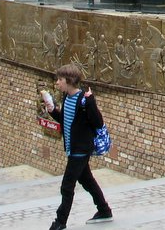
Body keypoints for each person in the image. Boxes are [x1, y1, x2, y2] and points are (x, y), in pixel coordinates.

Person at [44, 64, 113, 230]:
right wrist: (52, 110)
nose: (57, 83)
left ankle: (60, 222)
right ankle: (104, 210)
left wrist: (91, 102)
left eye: (59, 80)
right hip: (72, 148)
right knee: (87, 180)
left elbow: (97, 122)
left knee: (67, 186)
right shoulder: (67, 97)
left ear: (69, 80)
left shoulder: (84, 99)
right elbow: (66, 121)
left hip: (80, 150)